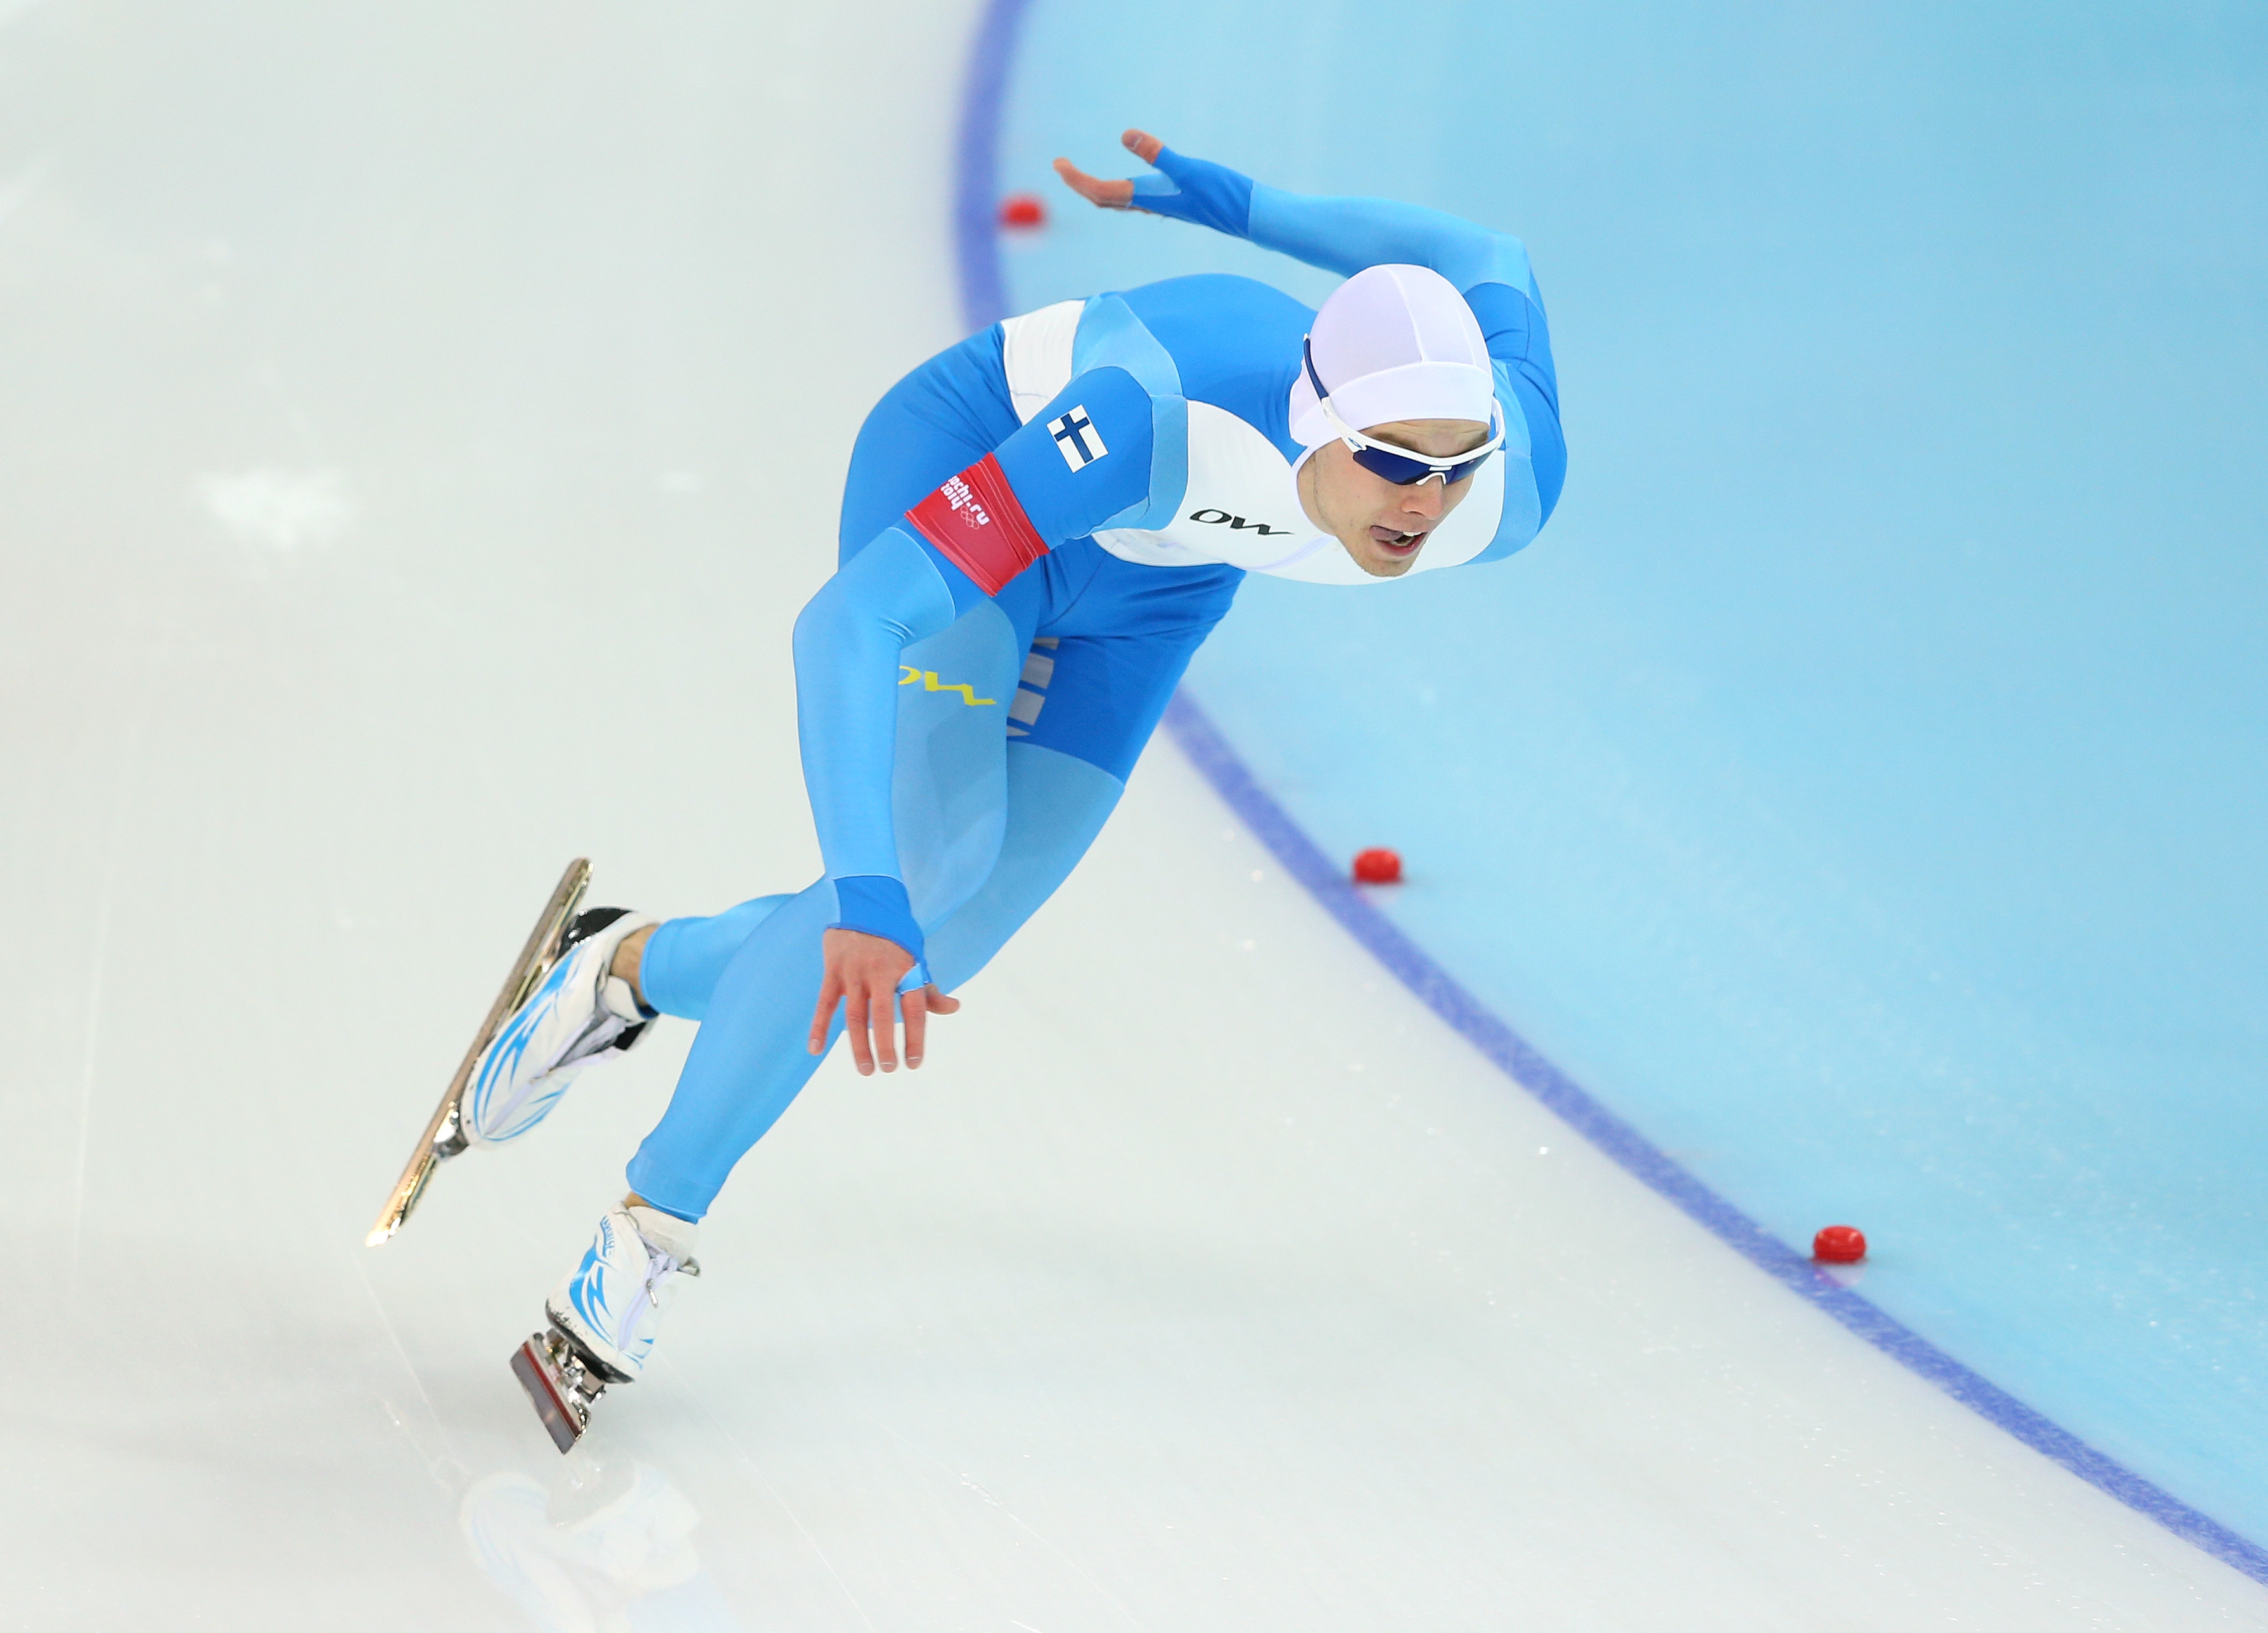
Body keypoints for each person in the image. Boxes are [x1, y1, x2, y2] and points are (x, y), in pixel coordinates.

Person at [462, 129, 1566, 1402]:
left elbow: (1488, 256)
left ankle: (620, 966)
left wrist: (1245, 204)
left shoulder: (1509, 487)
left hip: (1157, 586)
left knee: (948, 940)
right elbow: (847, 622)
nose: (1422, 502)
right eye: (1387, 458)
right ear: (1317, 425)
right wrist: (865, 884)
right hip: (984, 471)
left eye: (1450, 465)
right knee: (919, 877)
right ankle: (643, 1240)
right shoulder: (1148, 414)